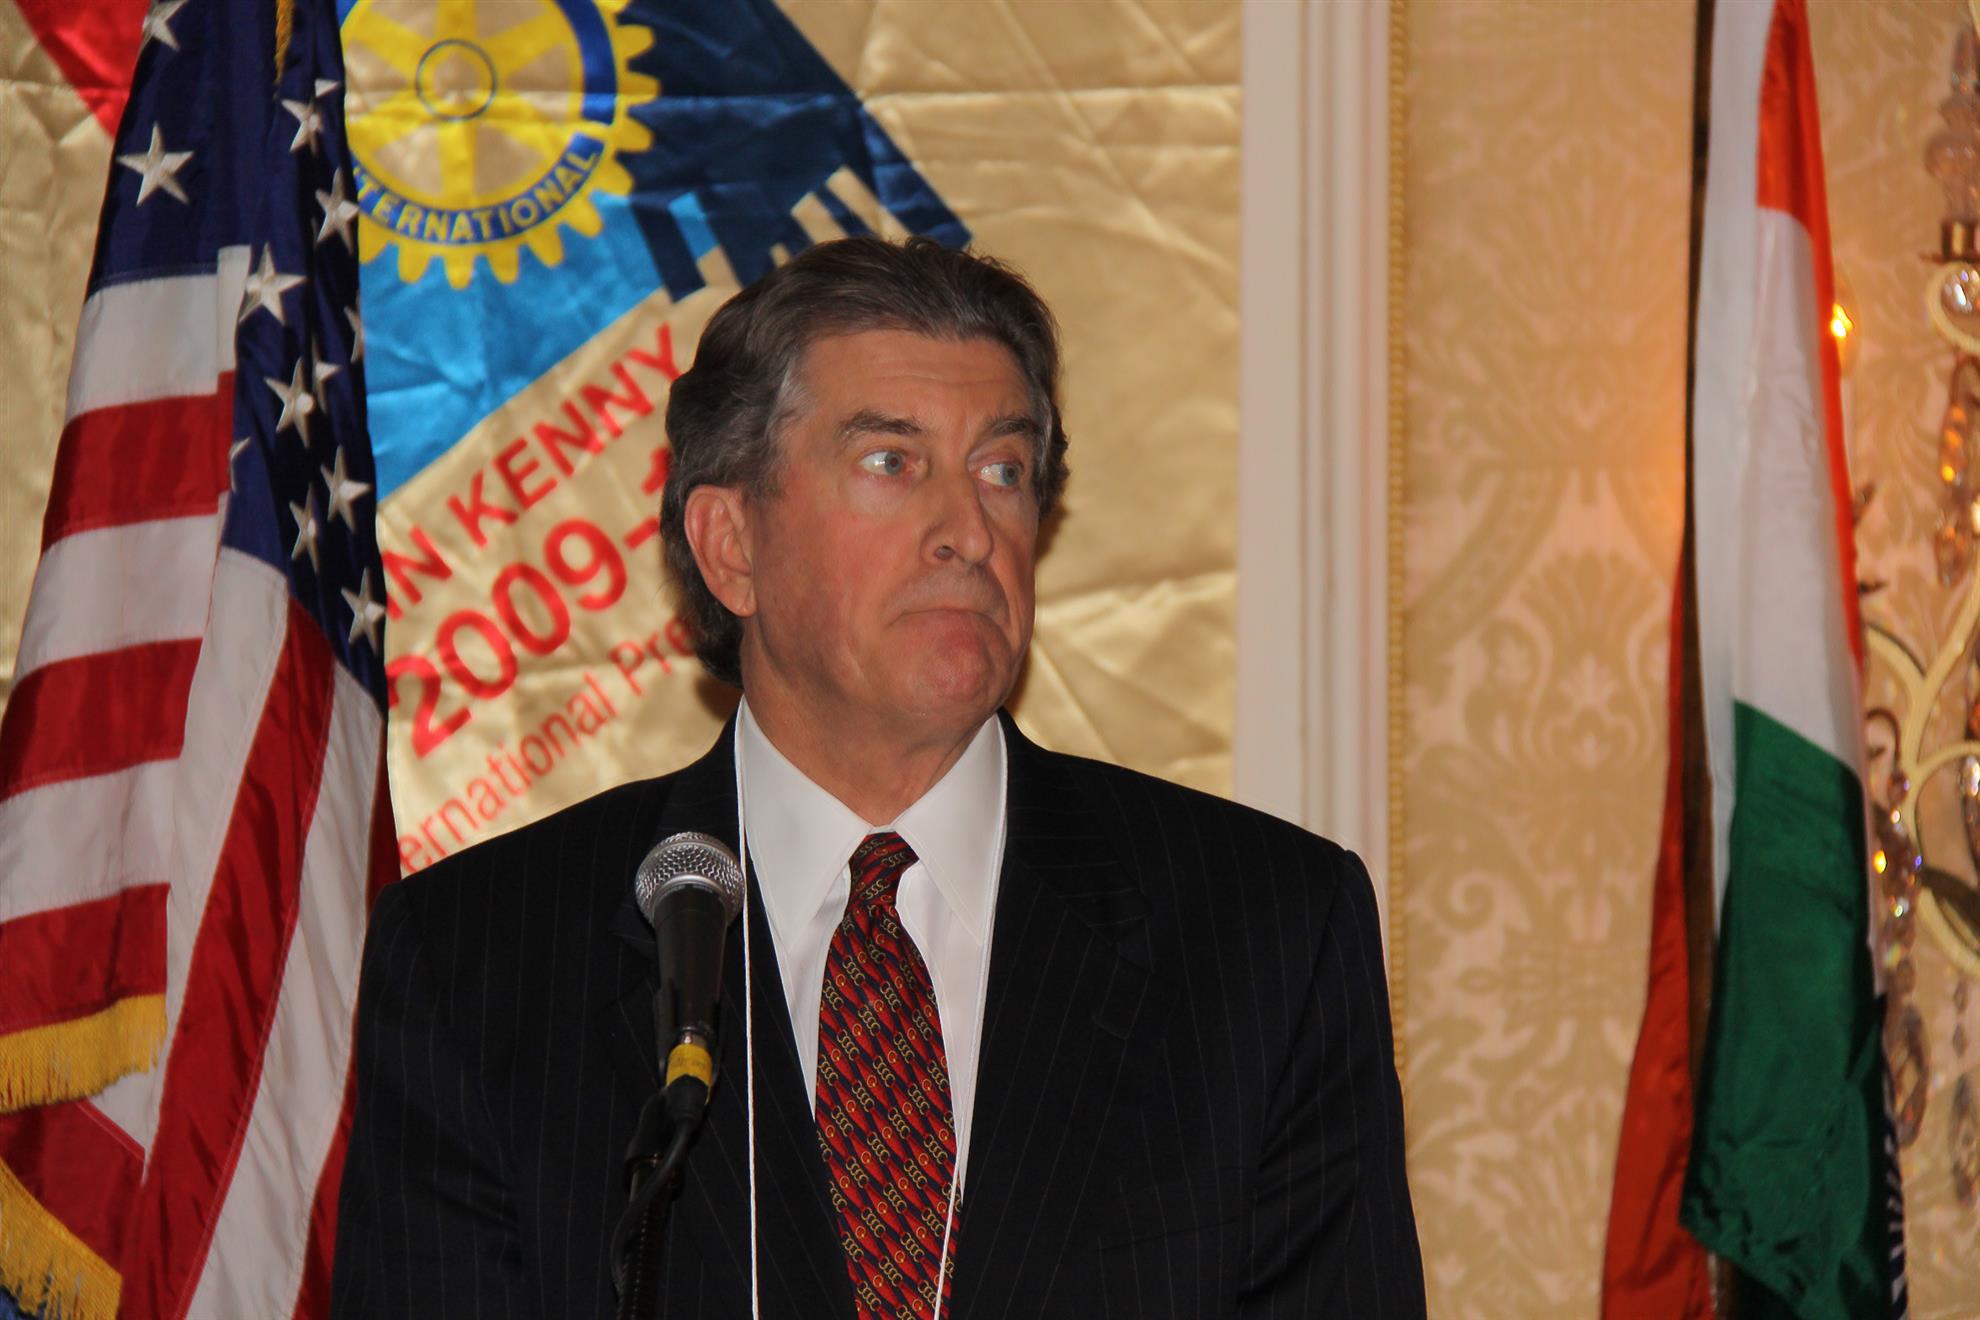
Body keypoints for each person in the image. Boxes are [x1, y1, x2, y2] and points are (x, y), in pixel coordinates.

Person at [330, 236, 1424, 1319]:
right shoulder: (481, 962)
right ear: (731, 545)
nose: (969, 532)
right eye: (892, 463)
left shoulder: (1268, 935)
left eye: (1003, 471)